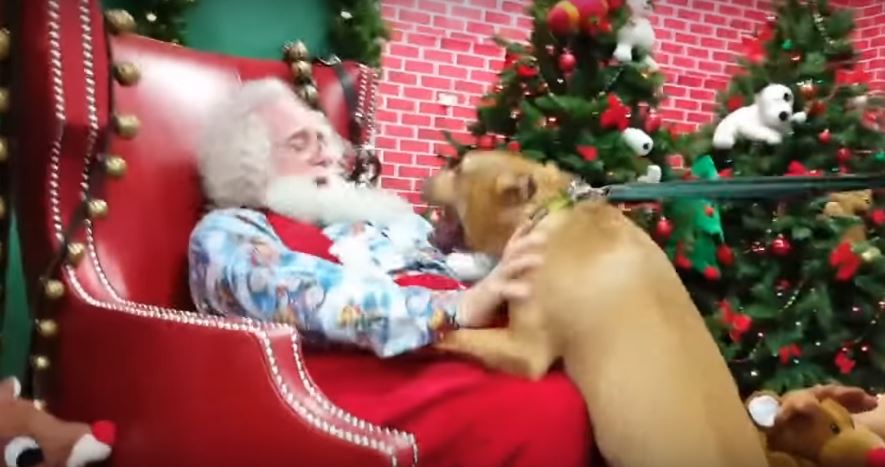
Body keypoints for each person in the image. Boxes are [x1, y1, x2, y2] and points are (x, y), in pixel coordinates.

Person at [188, 78, 591, 465]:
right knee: (546, 407)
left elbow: (454, 267)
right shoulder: (230, 230)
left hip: (461, 343)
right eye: (300, 143)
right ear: (250, 163)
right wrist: (457, 306)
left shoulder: (382, 217)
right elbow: (298, 295)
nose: (327, 154)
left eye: (323, 138)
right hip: (365, 374)